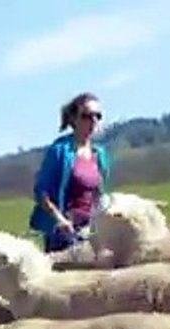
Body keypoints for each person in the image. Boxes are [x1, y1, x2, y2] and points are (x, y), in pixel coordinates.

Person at [28, 91, 111, 253]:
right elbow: (41, 192)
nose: (93, 121)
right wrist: (60, 220)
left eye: (97, 116)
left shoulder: (100, 154)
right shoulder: (60, 151)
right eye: (86, 116)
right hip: (64, 235)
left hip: (91, 231)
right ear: (73, 119)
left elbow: (99, 194)